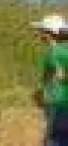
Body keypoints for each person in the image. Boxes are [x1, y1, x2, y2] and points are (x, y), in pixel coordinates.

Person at [32, 13, 68, 146]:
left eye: (41, 30)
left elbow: (59, 75)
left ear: (49, 33)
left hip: (59, 105)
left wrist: (45, 94)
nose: (39, 33)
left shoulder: (53, 52)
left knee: (55, 140)